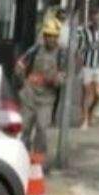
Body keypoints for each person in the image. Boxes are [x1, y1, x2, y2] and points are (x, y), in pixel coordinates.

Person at [15, 18, 66, 157]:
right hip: (29, 95)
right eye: (48, 35)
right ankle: (22, 157)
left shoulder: (61, 54)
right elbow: (21, 63)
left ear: (57, 37)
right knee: (24, 128)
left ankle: (38, 162)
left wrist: (56, 80)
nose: (50, 39)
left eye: (53, 36)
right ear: (44, 36)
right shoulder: (36, 49)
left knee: (42, 129)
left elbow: (62, 77)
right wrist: (23, 79)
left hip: (46, 99)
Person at [77, 8, 99, 129]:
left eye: (98, 19)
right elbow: (79, 49)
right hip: (87, 66)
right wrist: (79, 62)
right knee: (86, 93)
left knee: (98, 94)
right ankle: (84, 119)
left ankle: (90, 111)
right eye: (94, 19)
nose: (96, 21)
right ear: (91, 19)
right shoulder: (84, 32)